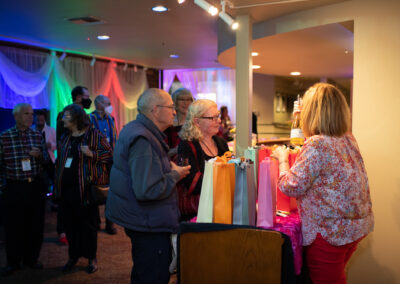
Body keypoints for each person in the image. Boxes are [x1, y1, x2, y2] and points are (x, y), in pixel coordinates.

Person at [272, 83, 374, 284]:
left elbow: (290, 186)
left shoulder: (318, 144)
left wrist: (282, 159)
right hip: (356, 227)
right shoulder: (348, 138)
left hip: (330, 232)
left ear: (312, 112)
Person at [106, 88, 191, 284]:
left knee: (144, 271)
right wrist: (175, 175)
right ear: (155, 110)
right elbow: (147, 190)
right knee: (153, 275)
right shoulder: (143, 139)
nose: (175, 112)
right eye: (171, 107)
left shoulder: (138, 129)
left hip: (142, 218)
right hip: (147, 222)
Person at [54, 104, 113, 274]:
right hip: (66, 191)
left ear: (76, 118)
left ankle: (91, 258)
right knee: (70, 226)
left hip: (85, 191)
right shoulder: (65, 137)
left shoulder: (93, 135)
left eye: (66, 116)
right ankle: (73, 256)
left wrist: (92, 154)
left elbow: (109, 155)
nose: (63, 119)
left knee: (88, 227)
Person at [0, 103, 49, 276]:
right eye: (26, 114)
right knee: (13, 227)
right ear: (16, 116)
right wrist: (2, 189)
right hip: (14, 188)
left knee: (35, 225)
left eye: (32, 114)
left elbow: (45, 161)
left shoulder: (37, 135)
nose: (31, 117)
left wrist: (40, 156)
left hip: (34, 186)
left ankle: (31, 259)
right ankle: (13, 262)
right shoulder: (4, 137)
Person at [178, 99, 229, 221]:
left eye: (218, 116)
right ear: (197, 121)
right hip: (198, 213)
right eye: (213, 118)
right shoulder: (186, 145)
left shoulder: (221, 142)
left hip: (223, 207)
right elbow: (192, 183)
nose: (219, 121)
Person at [55, 86, 92, 244]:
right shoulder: (63, 115)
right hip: (66, 165)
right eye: (86, 96)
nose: (88, 99)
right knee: (64, 202)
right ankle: (62, 231)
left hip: (82, 167)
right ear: (78, 97)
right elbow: (60, 139)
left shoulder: (86, 117)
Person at [89, 95, 118, 235]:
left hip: (111, 160)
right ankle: (95, 222)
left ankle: (109, 223)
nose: (110, 105)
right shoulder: (89, 119)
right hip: (95, 160)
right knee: (95, 190)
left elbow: (115, 138)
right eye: (108, 103)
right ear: (99, 104)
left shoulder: (111, 119)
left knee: (111, 193)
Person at [164, 88, 194, 158]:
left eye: (188, 99)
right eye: (182, 99)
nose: (185, 103)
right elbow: (161, 154)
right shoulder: (168, 125)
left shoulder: (196, 124)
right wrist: (176, 150)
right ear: (175, 101)